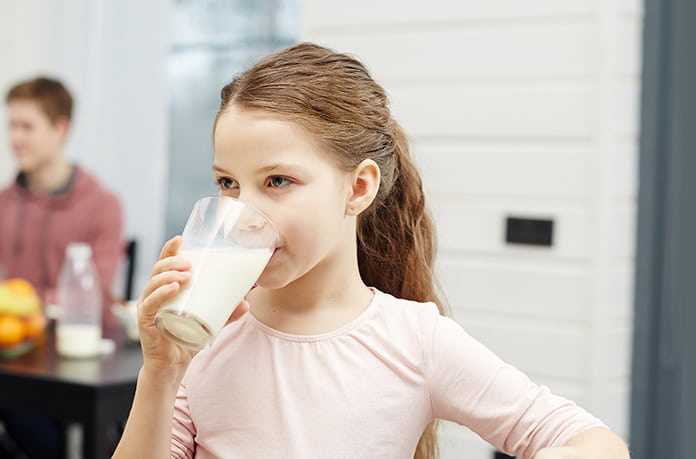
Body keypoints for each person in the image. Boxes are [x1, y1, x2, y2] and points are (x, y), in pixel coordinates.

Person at [113, 43, 630, 459]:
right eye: (228, 183)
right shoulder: (206, 337)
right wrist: (160, 372)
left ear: (358, 189)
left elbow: (599, 444)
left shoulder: (414, 340)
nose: (246, 213)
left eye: (277, 180)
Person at [0, 76, 124, 303]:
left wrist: (24, 302)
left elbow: (94, 293)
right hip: (11, 335)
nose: (14, 138)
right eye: (11, 126)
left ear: (60, 128)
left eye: (27, 127)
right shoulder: (0, 203)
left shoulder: (103, 205)